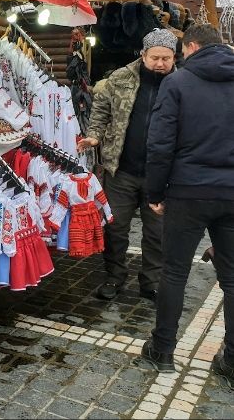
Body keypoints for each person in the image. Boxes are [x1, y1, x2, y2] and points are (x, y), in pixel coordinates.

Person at [140, 24, 234, 384]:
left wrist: (156, 193)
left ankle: (162, 349)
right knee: (233, 280)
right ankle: (233, 361)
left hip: (188, 191)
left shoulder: (178, 83)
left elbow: (160, 144)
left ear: (192, 47)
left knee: (175, 272)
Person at [77, 28, 177, 302]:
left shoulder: (180, 83)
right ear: (143, 54)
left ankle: (151, 281)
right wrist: (95, 135)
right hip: (121, 170)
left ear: (174, 57)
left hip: (162, 176)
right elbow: (100, 111)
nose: (160, 63)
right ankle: (114, 277)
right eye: (155, 57)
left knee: (156, 233)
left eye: (166, 58)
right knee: (116, 227)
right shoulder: (120, 78)